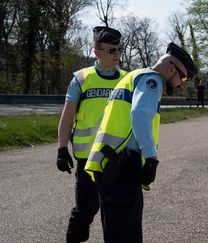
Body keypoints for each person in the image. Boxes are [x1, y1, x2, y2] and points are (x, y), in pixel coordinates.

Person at [84, 42, 197, 242]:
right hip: (121, 167)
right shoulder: (152, 80)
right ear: (171, 68)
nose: (181, 83)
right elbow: (139, 114)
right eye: (183, 77)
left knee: (115, 233)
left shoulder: (134, 76)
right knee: (127, 235)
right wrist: (151, 158)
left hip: (109, 164)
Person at [56, 26, 127, 243]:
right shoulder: (81, 78)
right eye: (112, 51)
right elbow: (68, 115)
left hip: (118, 158)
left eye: (119, 50)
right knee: (85, 210)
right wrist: (61, 149)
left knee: (116, 214)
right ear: (97, 53)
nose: (117, 55)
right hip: (87, 159)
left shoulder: (127, 79)